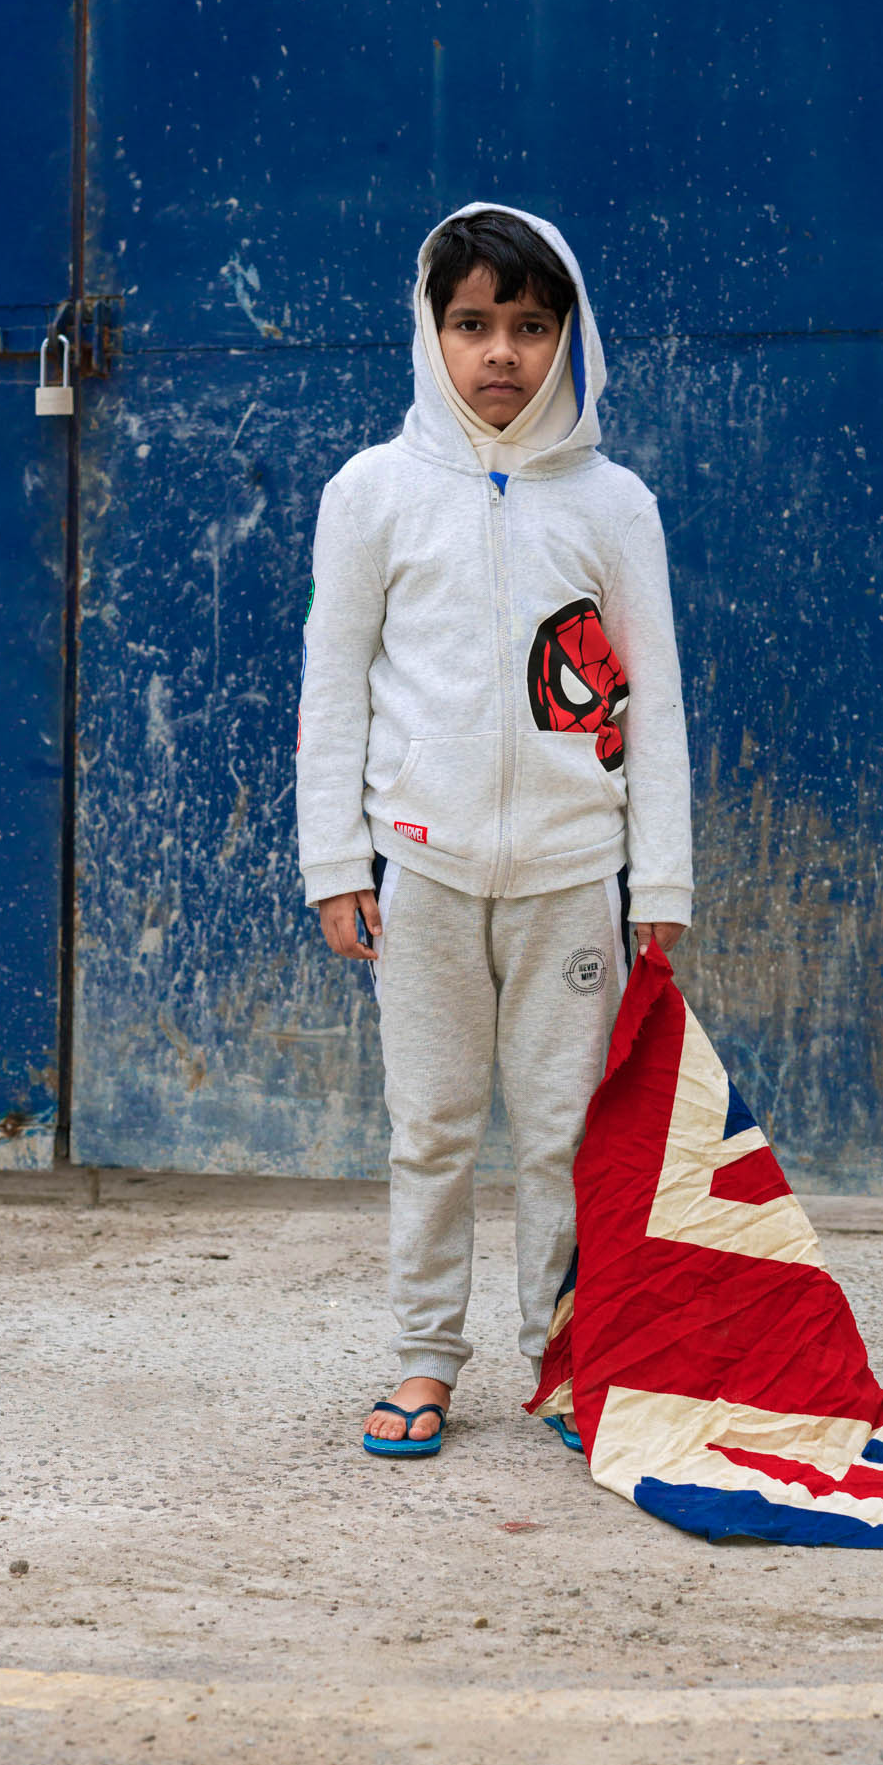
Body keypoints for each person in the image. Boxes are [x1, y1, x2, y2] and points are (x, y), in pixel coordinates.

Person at [296, 203, 692, 1456]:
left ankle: (567, 1359)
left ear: (569, 337)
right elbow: (333, 683)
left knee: (567, 1134)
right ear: (431, 332)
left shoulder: (614, 504)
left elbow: (660, 699)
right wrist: (334, 860)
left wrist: (658, 881)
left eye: (529, 325)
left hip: (575, 877)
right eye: (472, 324)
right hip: (422, 870)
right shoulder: (373, 492)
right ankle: (421, 1359)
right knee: (432, 1127)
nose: (502, 353)